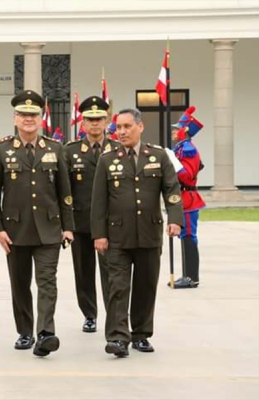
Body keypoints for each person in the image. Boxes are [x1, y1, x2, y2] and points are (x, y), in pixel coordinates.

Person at [0, 90, 75, 357]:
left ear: (41, 117)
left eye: (33, 115)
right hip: (15, 230)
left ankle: (46, 332)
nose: (28, 119)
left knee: (47, 281)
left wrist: (68, 226)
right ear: (15, 118)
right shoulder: (2, 150)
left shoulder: (55, 148)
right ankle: (25, 332)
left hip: (49, 228)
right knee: (20, 283)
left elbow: (65, 192)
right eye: (23, 115)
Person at [91, 108, 183, 358]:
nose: (121, 132)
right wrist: (99, 234)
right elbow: (99, 202)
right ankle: (118, 338)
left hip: (149, 233)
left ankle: (141, 334)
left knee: (145, 285)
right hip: (117, 236)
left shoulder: (159, 156)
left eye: (127, 126)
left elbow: (172, 191)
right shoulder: (108, 160)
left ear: (140, 127)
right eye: (118, 127)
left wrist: (175, 219)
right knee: (118, 287)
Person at [64, 96, 119, 333]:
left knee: (113, 274)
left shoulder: (118, 150)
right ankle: (89, 314)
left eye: (99, 119)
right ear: (82, 123)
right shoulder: (70, 151)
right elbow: (64, 191)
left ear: (107, 121)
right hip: (81, 222)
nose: (94, 124)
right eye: (90, 119)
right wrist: (65, 224)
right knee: (84, 273)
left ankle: (114, 316)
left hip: (111, 225)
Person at [169, 107, 206, 289]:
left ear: (185, 131)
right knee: (185, 236)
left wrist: (173, 161)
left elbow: (187, 176)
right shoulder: (181, 147)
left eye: (177, 129)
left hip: (188, 197)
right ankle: (187, 275)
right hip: (182, 196)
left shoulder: (188, 149)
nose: (174, 132)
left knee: (189, 235)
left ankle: (191, 277)